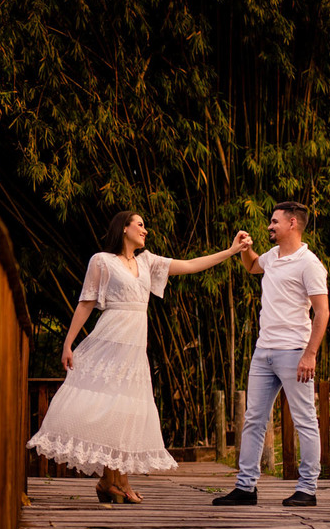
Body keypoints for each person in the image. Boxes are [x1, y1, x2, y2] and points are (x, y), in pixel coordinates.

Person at [27, 210, 251, 504]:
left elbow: (192, 265)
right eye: (140, 225)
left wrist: (232, 251)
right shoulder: (102, 261)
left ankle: (112, 481)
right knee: (106, 403)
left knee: (124, 408)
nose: (145, 230)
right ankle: (115, 481)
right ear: (124, 229)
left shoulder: (148, 262)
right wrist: (68, 343)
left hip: (134, 345)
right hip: (109, 339)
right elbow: (86, 302)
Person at [213, 201, 330, 507]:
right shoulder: (273, 256)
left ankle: (308, 489)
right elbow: (253, 266)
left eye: (274, 221)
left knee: (305, 420)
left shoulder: (309, 263)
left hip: (294, 352)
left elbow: (322, 312)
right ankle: (246, 487)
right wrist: (244, 248)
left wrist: (310, 354)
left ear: (293, 223)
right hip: (263, 350)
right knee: (254, 419)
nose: (269, 226)